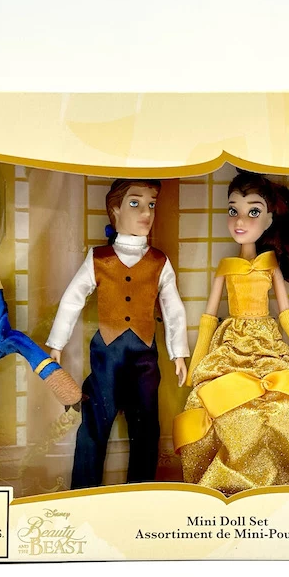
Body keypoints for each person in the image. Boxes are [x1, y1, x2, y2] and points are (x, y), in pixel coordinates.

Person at [173, 171, 289, 494]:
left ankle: (281, 476)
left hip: (267, 341)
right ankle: (229, 478)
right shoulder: (226, 267)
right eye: (233, 210)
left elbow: (285, 313)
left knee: (279, 405)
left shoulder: (270, 265)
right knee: (228, 407)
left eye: (253, 211)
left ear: (270, 218)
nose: (240, 221)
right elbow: (208, 316)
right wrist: (197, 361)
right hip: (232, 341)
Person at [48, 179, 189, 489]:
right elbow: (73, 299)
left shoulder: (159, 262)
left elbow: (173, 308)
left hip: (144, 358)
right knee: (94, 424)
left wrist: (178, 353)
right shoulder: (99, 258)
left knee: (146, 428)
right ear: (115, 209)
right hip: (106, 358)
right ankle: (83, 490)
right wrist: (57, 343)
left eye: (151, 204)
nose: (146, 213)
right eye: (135, 203)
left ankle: (141, 489)